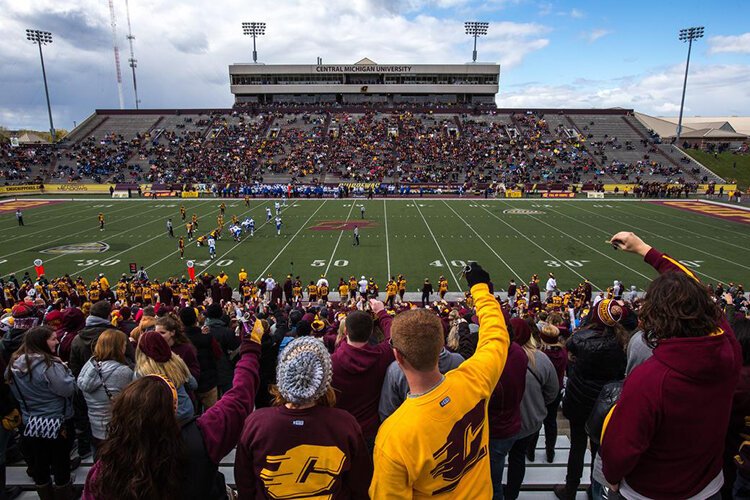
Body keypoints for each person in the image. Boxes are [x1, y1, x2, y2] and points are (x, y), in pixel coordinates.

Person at [600, 232, 742, 500]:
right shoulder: (729, 350)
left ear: (655, 316)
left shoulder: (650, 379)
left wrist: (612, 477)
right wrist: (645, 250)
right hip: (708, 484)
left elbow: (621, 449)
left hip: (649, 491)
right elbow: (696, 289)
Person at [369, 262, 510, 497]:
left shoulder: (393, 437)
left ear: (397, 356)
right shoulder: (474, 379)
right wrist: (480, 289)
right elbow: (496, 335)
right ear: (440, 345)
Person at [83, 318, 264, 500]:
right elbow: (239, 397)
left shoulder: (107, 465)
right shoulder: (204, 435)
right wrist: (250, 351)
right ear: (174, 406)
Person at [235, 336, 372, 498]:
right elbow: (361, 482)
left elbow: (245, 483)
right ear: (323, 380)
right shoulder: (345, 424)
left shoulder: (257, 423)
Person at [554, 296, 628, 500]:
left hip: (580, 401)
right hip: (606, 404)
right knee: (599, 450)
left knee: (577, 447)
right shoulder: (622, 343)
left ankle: (570, 489)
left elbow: (571, 343)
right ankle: (595, 490)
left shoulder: (581, 339)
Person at [7, 326, 75, 499]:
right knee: (61, 462)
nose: (57, 341)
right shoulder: (49, 365)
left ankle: (45, 494)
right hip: (57, 420)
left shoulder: (13, 364)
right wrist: (66, 372)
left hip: (31, 421)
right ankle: (63, 494)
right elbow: (67, 389)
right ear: (41, 342)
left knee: (40, 461)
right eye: (53, 338)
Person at [503, 319, 558, 500]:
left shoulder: (496, 357)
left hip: (501, 424)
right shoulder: (541, 359)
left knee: (495, 460)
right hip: (529, 422)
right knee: (518, 458)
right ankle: (512, 495)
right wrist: (537, 405)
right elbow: (552, 392)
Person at [331, 301, 393, 451]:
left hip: (340, 431)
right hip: (372, 431)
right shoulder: (383, 355)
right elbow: (394, 337)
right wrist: (381, 313)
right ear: (371, 332)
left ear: (345, 331)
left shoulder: (330, 362)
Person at [77, 329, 133, 455]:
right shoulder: (123, 372)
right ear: (119, 348)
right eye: (124, 345)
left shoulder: (89, 366)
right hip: (116, 429)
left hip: (95, 426)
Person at [134, 331, 196, 421]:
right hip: (186, 412)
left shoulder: (141, 373)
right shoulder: (176, 362)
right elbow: (193, 384)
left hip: (163, 419)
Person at [155, 314, 200, 382]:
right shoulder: (155, 348)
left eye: (162, 333)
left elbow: (196, 373)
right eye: (156, 333)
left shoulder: (186, 349)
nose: (158, 336)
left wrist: (179, 366)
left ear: (172, 332)